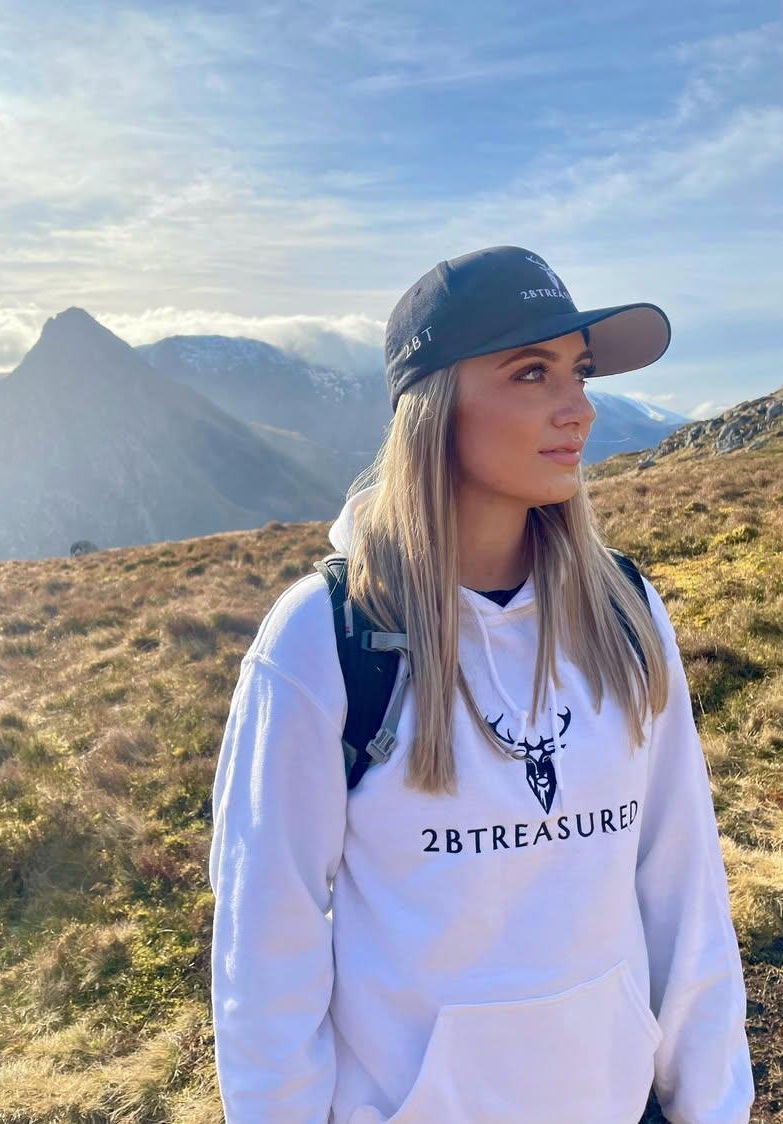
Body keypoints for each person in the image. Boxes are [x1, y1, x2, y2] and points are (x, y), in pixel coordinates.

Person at [207, 246, 755, 1123]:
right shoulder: (325, 637)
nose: (578, 408)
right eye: (531, 372)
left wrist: (713, 1105)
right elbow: (267, 946)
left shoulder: (623, 608)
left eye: (578, 372)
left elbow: (681, 883)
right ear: (431, 407)